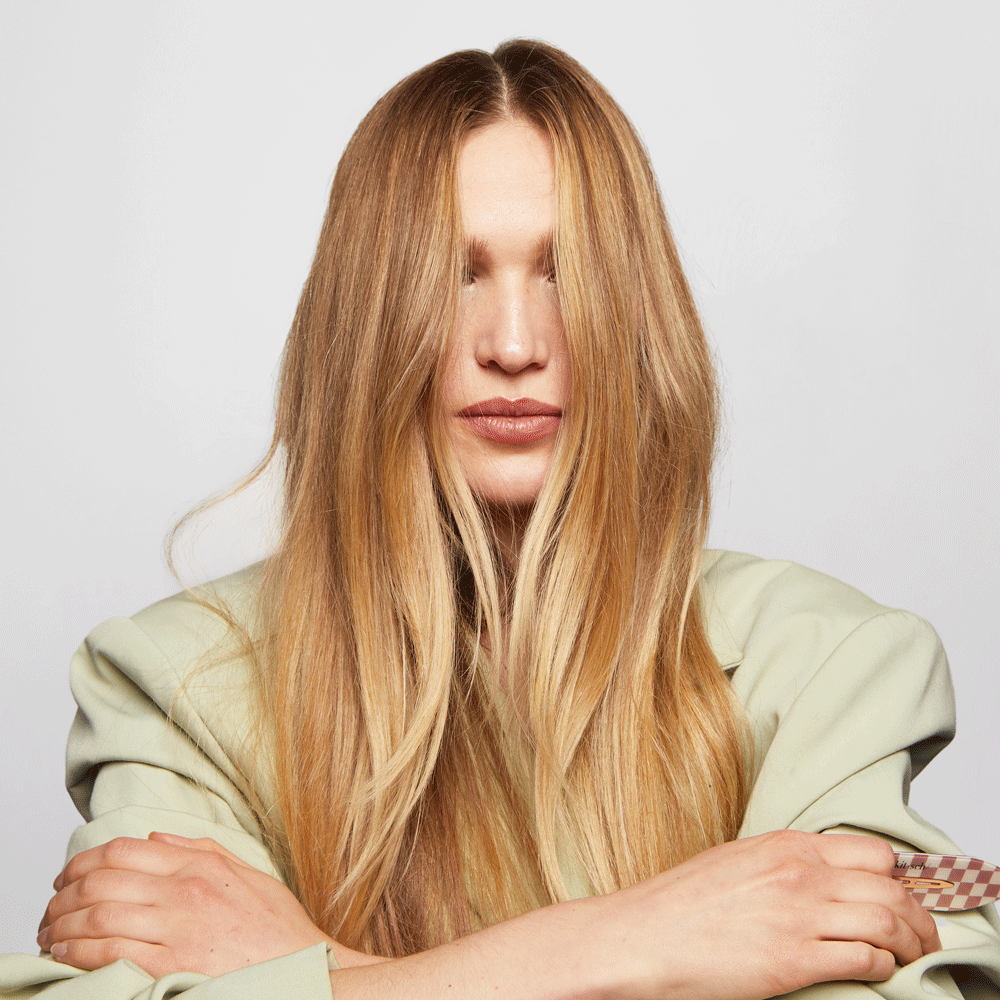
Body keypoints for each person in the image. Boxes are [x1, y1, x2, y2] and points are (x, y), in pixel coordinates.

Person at [2, 38, 998, 1000]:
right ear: (364, 321)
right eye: (452, 271)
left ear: (637, 316)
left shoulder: (830, 668)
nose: (514, 345)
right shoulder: (177, 682)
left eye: (565, 270)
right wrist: (640, 943)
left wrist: (317, 972)